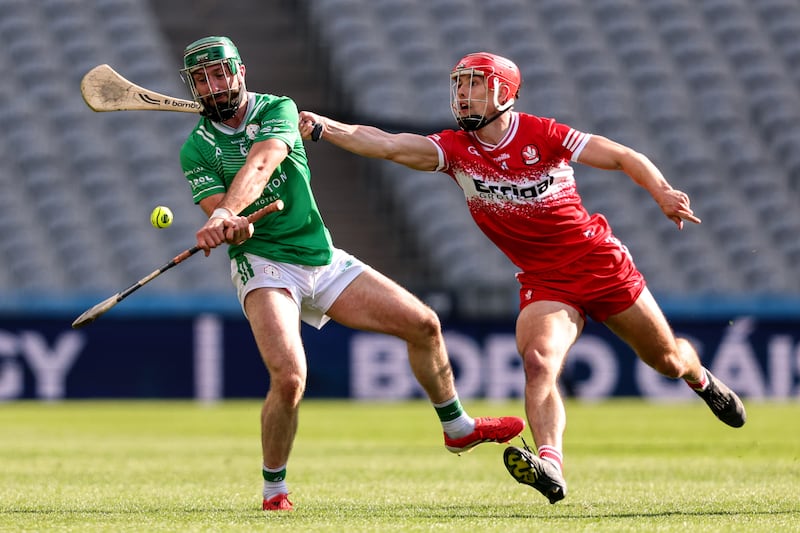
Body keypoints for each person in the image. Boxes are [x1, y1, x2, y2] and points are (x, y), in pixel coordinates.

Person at [298, 52, 746, 505]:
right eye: (459, 85)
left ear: (504, 92)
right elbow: (388, 144)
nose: (463, 94)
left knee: (667, 361)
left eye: (475, 84)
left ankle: (700, 379)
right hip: (545, 281)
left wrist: (662, 191)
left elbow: (621, 155)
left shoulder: (542, 133)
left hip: (599, 264)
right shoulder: (455, 150)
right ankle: (551, 464)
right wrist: (326, 128)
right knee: (538, 362)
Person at [177, 38, 525, 511]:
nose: (213, 85)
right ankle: (274, 490)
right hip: (262, 262)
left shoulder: (278, 108)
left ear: (240, 72)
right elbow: (222, 213)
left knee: (424, 324)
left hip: (320, 257)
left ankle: (457, 428)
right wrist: (227, 223)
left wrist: (227, 212)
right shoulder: (196, 149)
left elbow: (263, 161)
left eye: (219, 73)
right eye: (201, 79)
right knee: (290, 377)